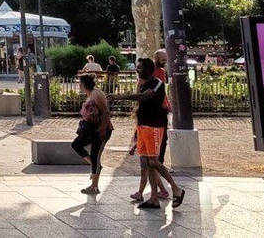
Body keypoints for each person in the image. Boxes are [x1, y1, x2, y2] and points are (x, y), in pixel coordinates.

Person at [115, 58, 184, 209]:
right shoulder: (144, 83)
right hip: (143, 126)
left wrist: (121, 97)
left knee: (153, 161)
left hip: (154, 126)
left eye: (139, 68)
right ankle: (154, 198)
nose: (137, 70)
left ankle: (176, 188)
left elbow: (146, 96)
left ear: (148, 69)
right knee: (147, 163)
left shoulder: (156, 83)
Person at [72, 74, 114, 194]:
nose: (79, 85)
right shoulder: (89, 95)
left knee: (96, 154)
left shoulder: (96, 94)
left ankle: (94, 186)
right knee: (76, 145)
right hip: (91, 129)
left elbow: (105, 112)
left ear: (84, 84)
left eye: (80, 83)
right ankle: (95, 167)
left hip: (101, 130)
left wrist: (102, 129)